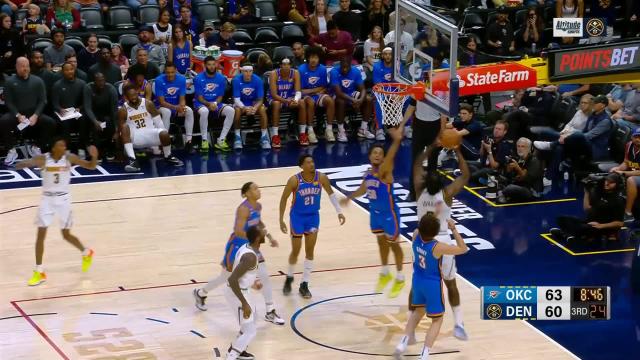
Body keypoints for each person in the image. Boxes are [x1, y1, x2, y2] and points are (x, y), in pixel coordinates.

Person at [192, 182, 285, 328]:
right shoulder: (243, 209)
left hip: (251, 245)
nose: (258, 190)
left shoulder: (258, 206)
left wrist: (270, 237)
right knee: (225, 277)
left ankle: (270, 311)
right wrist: (254, 239)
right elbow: (238, 230)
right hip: (238, 246)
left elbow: (258, 223)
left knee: (265, 276)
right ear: (246, 193)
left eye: (258, 188)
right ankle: (201, 292)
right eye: (254, 189)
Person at [16, 138, 97, 286]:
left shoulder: (69, 158)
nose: (64, 147)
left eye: (65, 145)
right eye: (61, 145)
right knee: (40, 235)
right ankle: (39, 271)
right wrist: (22, 164)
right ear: (53, 148)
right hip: (47, 200)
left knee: (66, 235)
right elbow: (24, 163)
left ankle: (86, 252)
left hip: (64, 199)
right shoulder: (43, 159)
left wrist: (94, 156)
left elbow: (91, 166)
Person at [412, 144, 470, 343]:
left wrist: (430, 149)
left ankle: (411, 331)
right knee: (450, 282)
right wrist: (458, 150)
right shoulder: (446, 194)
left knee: (418, 280)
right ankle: (459, 323)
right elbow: (465, 175)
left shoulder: (419, 190)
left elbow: (417, 165)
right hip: (442, 240)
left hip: (422, 241)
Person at [340, 126, 406, 298]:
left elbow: (391, 156)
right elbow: (364, 189)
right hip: (375, 215)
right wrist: (349, 197)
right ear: (369, 156)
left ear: (383, 158)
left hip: (389, 215)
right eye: (374, 152)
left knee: (394, 244)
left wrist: (396, 141)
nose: (377, 155)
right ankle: (385, 272)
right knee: (381, 242)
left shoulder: (384, 172)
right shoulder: (369, 173)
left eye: (380, 153)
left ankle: (400, 277)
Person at [393, 215, 469, 360]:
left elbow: (420, 228)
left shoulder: (415, 236)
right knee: (437, 320)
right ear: (435, 232)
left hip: (417, 281)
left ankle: (401, 344)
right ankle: (424, 354)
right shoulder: (437, 247)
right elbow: (463, 248)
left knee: (417, 312)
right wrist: (453, 228)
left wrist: (425, 221)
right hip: (432, 285)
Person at [279, 155, 346, 298]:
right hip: (297, 218)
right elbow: (284, 199)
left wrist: (339, 212)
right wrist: (281, 220)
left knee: (310, 251)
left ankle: (304, 283)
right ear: (301, 166)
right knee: (296, 251)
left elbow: (331, 194)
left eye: (312, 161)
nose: (311, 164)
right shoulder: (294, 180)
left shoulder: (321, 178)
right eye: (308, 162)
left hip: (313, 217)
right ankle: (289, 277)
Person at [1, 57, 56, 166]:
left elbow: (43, 100)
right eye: (22, 66)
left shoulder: (38, 81)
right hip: (17, 114)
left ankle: (36, 146)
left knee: (51, 123)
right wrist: (18, 115)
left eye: (26, 66)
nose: (25, 68)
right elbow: (9, 101)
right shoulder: (10, 82)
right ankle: (11, 150)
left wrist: (35, 115)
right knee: (3, 122)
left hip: (33, 114)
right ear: (16, 67)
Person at [118, 83, 184, 172]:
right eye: (130, 96)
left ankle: (168, 156)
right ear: (126, 97)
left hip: (150, 134)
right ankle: (133, 161)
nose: (133, 97)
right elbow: (121, 130)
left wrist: (163, 139)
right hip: (135, 138)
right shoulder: (123, 110)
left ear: (138, 92)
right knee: (124, 127)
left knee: (164, 132)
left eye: (134, 95)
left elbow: (159, 122)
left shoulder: (148, 103)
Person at [223, 224, 263, 360]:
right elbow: (233, 279)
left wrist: (253, 281)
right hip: (236, 293)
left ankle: (238, 349)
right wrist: (244, 303)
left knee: (254, 318)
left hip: (243, 289)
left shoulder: (247, 248)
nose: (265, 232)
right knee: (251, 331)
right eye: (262, 232)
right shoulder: (250, 257)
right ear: (258, 238)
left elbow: (233, 266)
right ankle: (232, 355)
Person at [550, 173, 624, 243]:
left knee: (584, 228)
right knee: (562, 219)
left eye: (611, 182)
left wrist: (601, 226)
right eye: (606, 180)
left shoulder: (618, 200)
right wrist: (586, 192)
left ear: (618, 185)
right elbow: (587, 209)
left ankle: (567, 235)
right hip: (590, 222)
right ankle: (570, 235)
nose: (607, 183)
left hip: (602, 227)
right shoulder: (600, 193)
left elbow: (620, 223)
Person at [193, 56, 235, 152]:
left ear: (216, 64)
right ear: (205, 66)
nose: (212, 67)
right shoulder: (198, 78)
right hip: (201, 103)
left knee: (231, 110)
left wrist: (215, 103)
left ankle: (221, 140)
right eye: (209, 65)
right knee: (204, 112)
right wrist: (209, 104)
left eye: (213, 64)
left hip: (215, 103)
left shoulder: (221, 78)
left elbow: (220, 96)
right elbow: (200, 98)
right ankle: (204, 140)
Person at [52, 62, 91, 156]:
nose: (69, 71)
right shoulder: (57, 85)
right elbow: (54, 104)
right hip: (64, 114)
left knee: (84, 119)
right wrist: (60, 109)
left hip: (77, 112)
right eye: (67, 70)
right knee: (65, 123)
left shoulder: (82, 84)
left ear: (74, 70)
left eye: (71, 69)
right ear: (62, 72)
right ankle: (67, 149)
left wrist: (79, 108)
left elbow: (85, 102)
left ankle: (81, 147)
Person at [331, 57, 374, 141]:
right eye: (343, 67)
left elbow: (363, 89)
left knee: (368, 99)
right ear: (340, 65)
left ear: (351, 65)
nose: (345, 69)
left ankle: (363, 129)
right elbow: (338, 93)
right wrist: (353, 100)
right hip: (336, 95)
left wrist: (360, 100)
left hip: (351, 93)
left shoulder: (356, 71)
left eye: (347, 67)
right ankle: (341, 131)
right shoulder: (334, 72)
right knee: (341, 101)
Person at [299, 46, 335, 142]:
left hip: (318, 94)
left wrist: (318, 91)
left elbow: (323, 87)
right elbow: (300, 90)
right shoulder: (301, 69)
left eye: (316, 57)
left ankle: (329, 129)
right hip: (305, 96)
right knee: (310, 102)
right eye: (311, 57)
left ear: (319, 58)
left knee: (330, 101)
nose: (313, 60)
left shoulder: (323, 69)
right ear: (308, 58)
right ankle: (310, 131)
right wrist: (314, 90)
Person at [155, 62, 195, 148]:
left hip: (176, 106)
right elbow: (162, 102)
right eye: (168, 72)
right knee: (166, 112)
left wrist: (182, 106)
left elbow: (182, 98)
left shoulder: (181, 79)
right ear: (164, 72)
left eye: (172, 72)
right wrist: (176, 107)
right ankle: (164, 142)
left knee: (189, 111)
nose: (170, 74)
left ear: (175, 71)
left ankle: (189, 141)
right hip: (161, 107)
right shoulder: (159, 80)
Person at [268, 58, 307, 146]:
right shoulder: (274, 74)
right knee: (277, 104)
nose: (286, 66)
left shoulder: (295, 73)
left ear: (290, 65)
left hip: (289, 98)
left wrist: (295, 100)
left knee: (302, 102)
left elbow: (298, 91)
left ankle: (302, 134)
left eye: (288, 64)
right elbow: (274, 95)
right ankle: (275, 135)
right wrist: (287, 101)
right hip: (276, 99)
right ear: (280, 65)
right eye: (284, 64)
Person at [232, 65, 271, 150]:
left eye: (250, 71)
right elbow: (236, 100)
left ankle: (264, 137)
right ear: (242, 71)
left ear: (252, 71)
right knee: (237, 110)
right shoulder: (236, 80)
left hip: (254, 103)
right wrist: (245, 108)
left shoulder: (258, 80)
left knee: (262, 109)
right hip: (241, 103)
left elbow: (260, 99)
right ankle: (237, 137)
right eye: (246, 71)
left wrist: (255, 108)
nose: (248, 73)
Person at [498, 137, 544, 203]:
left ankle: (502, 194)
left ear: (529, 149)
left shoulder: (534, 161)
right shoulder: (518, 159)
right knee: (499, 179)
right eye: (518, 146)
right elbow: (513, 178)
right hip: (520, 186)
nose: (520, 149)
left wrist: (517, 168)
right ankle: (504, 194)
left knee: (510, 188)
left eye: (523, 146)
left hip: (531, 191)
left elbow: (528, 179)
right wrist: (508, 170)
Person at [83, 73, 118, 158]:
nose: (101, 83)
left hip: (106, 113)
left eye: (102, 81)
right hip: (93, 113)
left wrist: (117, 128)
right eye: (98, 81)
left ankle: (109, 147)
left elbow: (114, 110)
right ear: (94, 82)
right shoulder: (88, 88)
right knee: (88, 122)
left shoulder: (111, 89)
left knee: (109, 122)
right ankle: (93, 149)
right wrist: (95, 121)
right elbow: (87, 107)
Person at [610, 128, 640, 223]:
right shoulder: (629, 145)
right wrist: (618, 168)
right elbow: (626, 163)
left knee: (631, 180)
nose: (638, 139)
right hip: (632, 172)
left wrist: (624, 173)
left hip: (636, 175)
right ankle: (612, 206)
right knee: (612, 175)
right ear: (631, 137)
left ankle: (628, 213)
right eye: (636, 136)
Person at [470, 119, 514, 184]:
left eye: (499, 129)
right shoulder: (489, 138)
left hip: (495, 171)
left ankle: (475, 177)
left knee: (475, 174)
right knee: (466, 163)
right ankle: (479, 177)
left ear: (505, 132)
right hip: (484, 165)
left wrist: (489, 150)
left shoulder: (505, 146)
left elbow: (494, 166)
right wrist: (482, 145)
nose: (496, 131)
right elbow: (481, 155)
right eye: (496, 128)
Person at [371, 46, 393, 141]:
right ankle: (379, 129)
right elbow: (378, 84)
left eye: (390, 54)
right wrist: (388, 93)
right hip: (380, 91)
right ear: (382, 56)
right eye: (386, 54)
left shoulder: (398, 65)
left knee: (408, 99)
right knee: (380, 100)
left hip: (394, 90)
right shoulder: (377, 66)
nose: (388, 56)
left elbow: (399, 83)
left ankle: (407, 127)